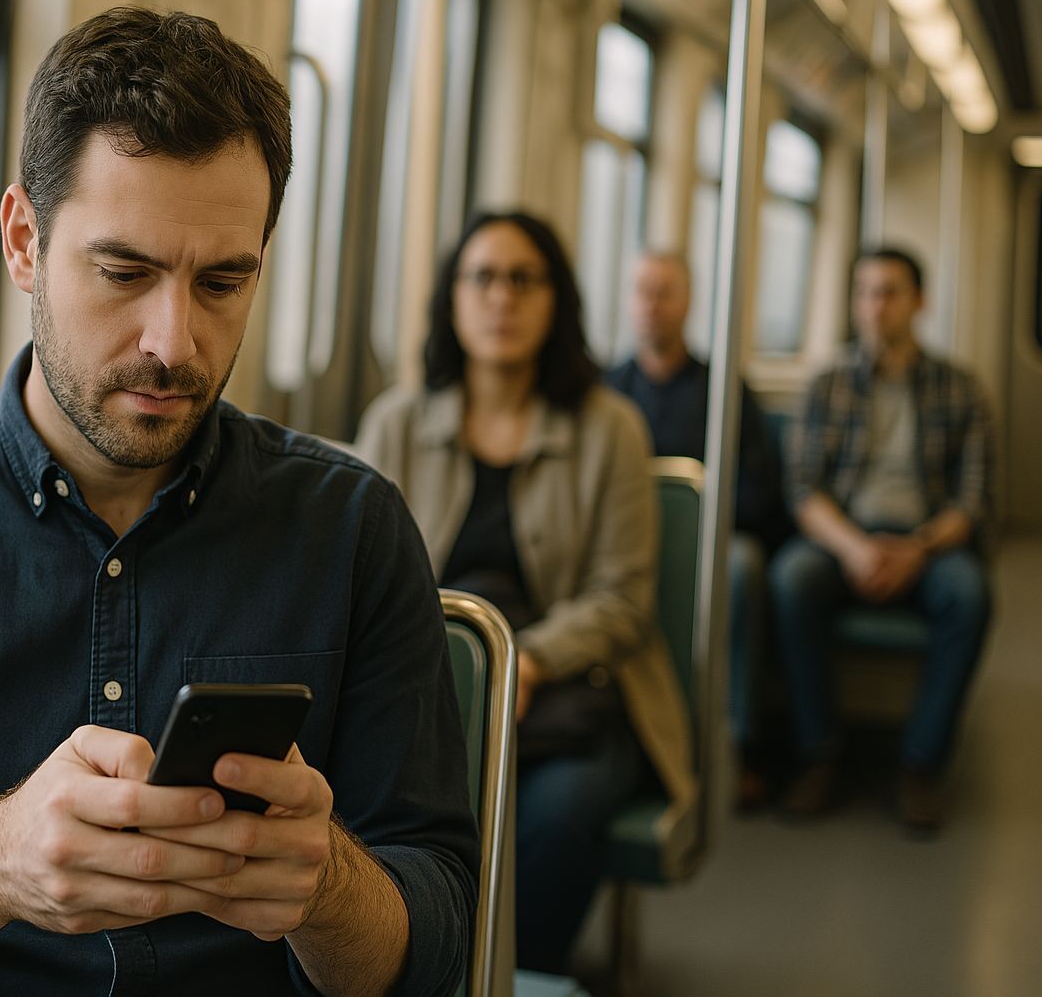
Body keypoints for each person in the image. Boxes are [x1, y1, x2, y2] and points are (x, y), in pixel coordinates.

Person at [0, 8, 476, 997]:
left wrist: (326, 883)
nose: (175, 340)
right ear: (24, 241)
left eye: (223, 281)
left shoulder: (352, 530)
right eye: (125, 272)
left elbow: (442, 939)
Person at [354, 212, 695, 975]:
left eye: (523, 279)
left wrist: (526, 664)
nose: (500, 298)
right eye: (482, 277)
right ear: (452, 299)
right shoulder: (397, 423)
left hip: (574, 695)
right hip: (426, 695)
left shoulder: (612, 428)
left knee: (555, 819)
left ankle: (510, 977)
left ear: (556, 301)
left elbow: (622, 598)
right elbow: (362, 585)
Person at [772, 247, 994, 834]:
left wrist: (916, 549)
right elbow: (803, 491)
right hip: (845, 535)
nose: (875, 307)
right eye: (865, 292)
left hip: (925, 541)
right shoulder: (826, 385)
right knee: (792, 579)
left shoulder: (961, 389)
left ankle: (921, 762)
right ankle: (817, 750)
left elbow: (971, 503)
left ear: (919, 302)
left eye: (890, 292)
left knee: (969, 596)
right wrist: (855, 548)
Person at [605, 251, 787, 808]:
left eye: (666, 292)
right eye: (643, 292)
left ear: (688, 303)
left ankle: (740, 740)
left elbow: (759, 493)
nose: (652, 305)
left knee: (738, 571)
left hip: (710, 543)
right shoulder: (604, 393)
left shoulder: (725, 392)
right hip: (621, 545)